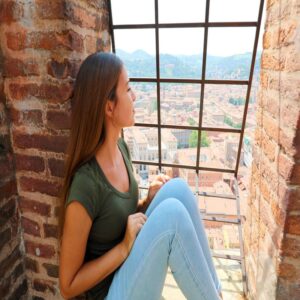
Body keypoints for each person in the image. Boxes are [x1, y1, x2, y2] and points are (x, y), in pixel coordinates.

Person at [58, 52, 223, 300]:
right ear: (109, 106)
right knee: (173, 216)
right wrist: (124, 248)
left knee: (177, 190)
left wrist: (146, 202)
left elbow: (114, 221)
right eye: (128, 89)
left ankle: (215, 294)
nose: (135, 96)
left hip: (129, 269)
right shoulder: (86, 184)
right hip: (111, 292)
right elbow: (68, 286)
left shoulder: (121, 149)